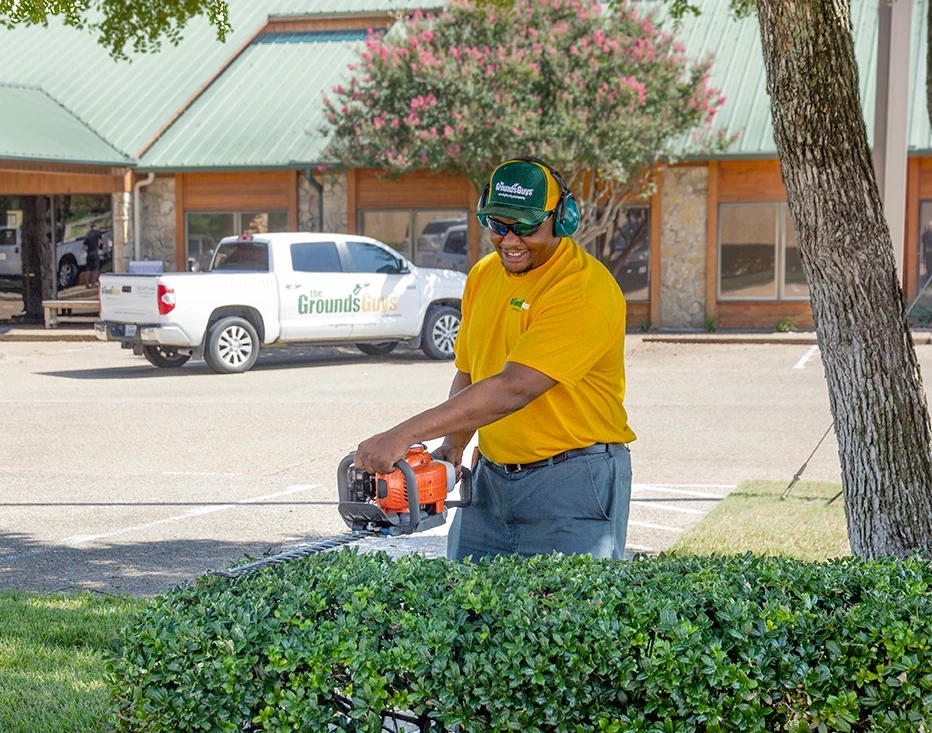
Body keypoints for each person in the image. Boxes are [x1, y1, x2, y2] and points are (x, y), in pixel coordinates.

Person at [354, 157, 636, 561]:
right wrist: (453, 446)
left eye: (526, 226)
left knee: (568, 613)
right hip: (491, 478)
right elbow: (471, 370)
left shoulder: (583, 291)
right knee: (465, 610)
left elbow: (513, 388)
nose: (510, 240)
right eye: (498, 225)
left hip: (574, 482)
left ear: (563, 219)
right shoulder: (485, 275)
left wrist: (400, 435)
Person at [83, 224, 102, 289]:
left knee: (88, 269)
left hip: (89, 253)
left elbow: (84, 246)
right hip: (95, 252)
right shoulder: (97, 233)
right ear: (95, 227)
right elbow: (101, 242)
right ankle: (93, 284)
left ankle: (87, 284)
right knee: (95, 269)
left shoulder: (88, 234)